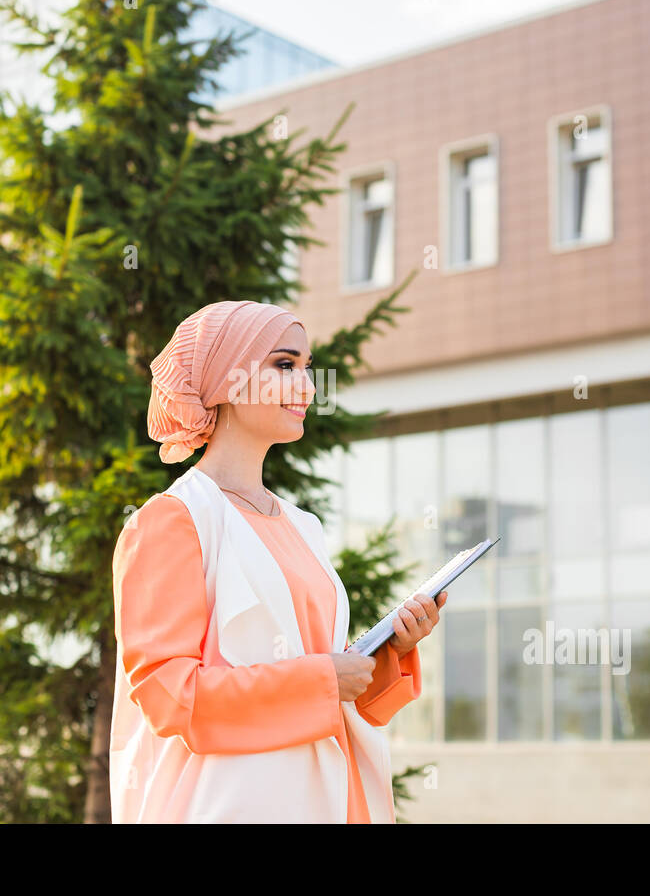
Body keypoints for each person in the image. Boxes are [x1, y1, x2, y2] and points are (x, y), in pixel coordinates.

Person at [109, 299, 447, 823]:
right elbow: (168, 696)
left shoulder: (301, 526)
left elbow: (334, 687)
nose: (309, 388)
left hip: (331, 801)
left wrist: (389, 652)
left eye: (307, 369)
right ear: (226, 376)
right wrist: (322, 681)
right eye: (285, 366)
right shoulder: (172, 521)